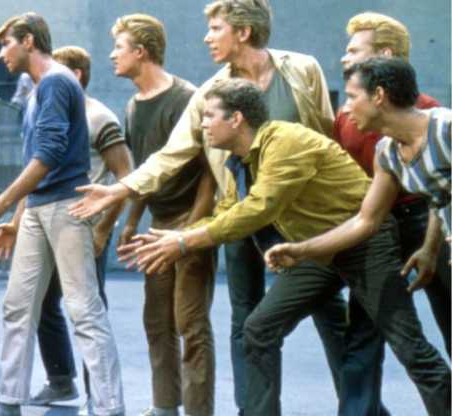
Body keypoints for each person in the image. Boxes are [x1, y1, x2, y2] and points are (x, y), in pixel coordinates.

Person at [67, 2, 347, 414]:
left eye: (216, 28)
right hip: (240, 215)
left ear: (244, 32)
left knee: (329, 314)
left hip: (302, 217)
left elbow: (325, 135)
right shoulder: (210, 91)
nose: (206, 37)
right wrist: (121, 189)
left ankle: (360, 406)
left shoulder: (301, 69)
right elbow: (173, 153)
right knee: (246, 321)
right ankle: (253, 409)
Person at [123, 78, 451, 416]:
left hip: (365, 244)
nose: (202, 123)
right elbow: (228, 212)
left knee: (410, 348)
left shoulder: (285, 141)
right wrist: (174, 236)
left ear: (236, 119)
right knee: (258, 329)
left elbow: (259, 209)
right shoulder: (241, 161)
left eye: (209, 115)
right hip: (317, 249)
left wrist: (182, 241)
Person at [0, 13, 124, 416]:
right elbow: (36, 164)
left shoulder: (56, 81)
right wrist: (17, 218)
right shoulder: (40, 88)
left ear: (29, 42)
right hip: (40, 207)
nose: (2, 52)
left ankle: (109, 407)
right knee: (18, 305)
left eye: (6, 43)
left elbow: (50, 155)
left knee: (84, 309)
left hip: (66, 206)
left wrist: (0, 203)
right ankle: (9, 399)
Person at [266, 57, 450, 319]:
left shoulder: (444, 128)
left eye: (352, 97)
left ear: (378, 95)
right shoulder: (388, 153)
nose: (346, 108)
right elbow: (365, 221)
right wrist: (303, 249)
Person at [330, 13, 450, 415]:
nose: (344, 57)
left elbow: (438, 195)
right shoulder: (349, 120)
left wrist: (432, 246)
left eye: (354, 50)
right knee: (364, 332)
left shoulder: (432, 118)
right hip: (377, 230)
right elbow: (365, 211)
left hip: (422, 221)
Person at [11, 45, 133, 414]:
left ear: (75, 75)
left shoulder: (99, 117)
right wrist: (16, 222)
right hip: (47, 217)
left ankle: (102, 399)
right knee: (41, 305)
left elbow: (125, 176)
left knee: (86, 310)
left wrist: (103, 229)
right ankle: (61, 380)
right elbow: (35, 173)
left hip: (82, 222)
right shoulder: (45, 111)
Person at [111, 14, 217, 416]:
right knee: (157, 322)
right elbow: (143, 172)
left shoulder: (187, 98)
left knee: (191, 325)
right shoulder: (133, 106)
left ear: (141, 52)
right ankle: (163, 407)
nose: (112, 56)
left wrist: (192, 230)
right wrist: (132, 222)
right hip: (156, 226)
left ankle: (197, 412)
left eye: (119, 48)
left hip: (192, 224)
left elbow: (211, 171)